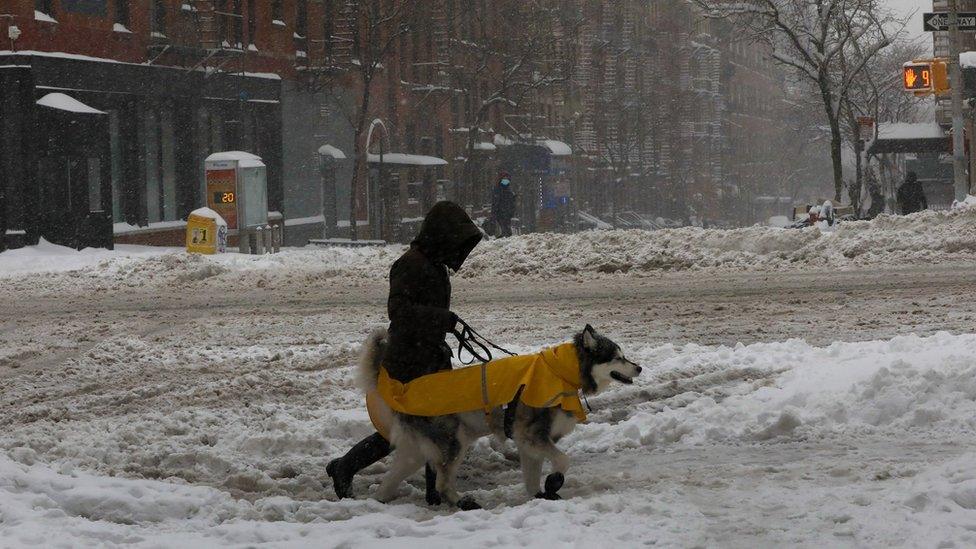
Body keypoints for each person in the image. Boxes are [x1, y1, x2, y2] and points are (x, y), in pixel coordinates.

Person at [326, 201, 483, 502]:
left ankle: (352, 468)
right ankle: (351, 468)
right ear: (441, 236)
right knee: (419, 428)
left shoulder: (433, 264)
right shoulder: (410, 264)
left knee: (419, 428)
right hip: (410, 361)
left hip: (428, 356)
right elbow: (398, 311)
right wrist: (441, 319)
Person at [490, 172, 517, 237]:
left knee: (506, 227)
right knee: (504, 227)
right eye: (504, 178)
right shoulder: (498, 189)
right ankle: (505, 237)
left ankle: (505, 237)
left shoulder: (509, 189)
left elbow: (512, 202)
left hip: (507, 212)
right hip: (500, 212)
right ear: (501, 179)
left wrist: (512, 211)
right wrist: (494, 212)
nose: (506, 180)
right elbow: (495, 202)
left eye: (507, 178)